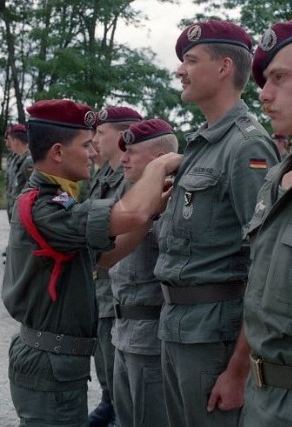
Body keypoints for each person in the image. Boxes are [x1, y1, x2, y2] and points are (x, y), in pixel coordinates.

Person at [1, 99, 181, 427]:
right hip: (49, 364)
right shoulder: (46, 207)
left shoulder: (58, 199)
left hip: (56, 362)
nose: (92, 152)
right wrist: (159, 166)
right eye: (85, 145)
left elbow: (106, 256)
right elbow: (130, 212)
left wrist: (152, 211)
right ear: (58, 152)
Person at [152, 19, 281, 427]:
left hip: (214, 338)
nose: (180, 70)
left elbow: (265, 262)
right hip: (177, 328)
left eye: (190, 60)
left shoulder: (247, 146)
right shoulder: (203, 144)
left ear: (224, 67)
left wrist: (239, 369)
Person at [242, 14, 292, 427]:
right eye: (263, 81)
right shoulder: (274, 181)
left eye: (278, 78)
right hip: (261, 399)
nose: (264, 95)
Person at [99, 119, 179, 427]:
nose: (124, 159)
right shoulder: (133, 198)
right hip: (123, 334)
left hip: (150, 340)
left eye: (131, 151)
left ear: (160, 159)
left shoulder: (170, 203)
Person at [88, 106, 143, 427]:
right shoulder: (103, 177)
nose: (94, 139)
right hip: (102, 291)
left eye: (100, 132)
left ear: (122, 134)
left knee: (122, 389)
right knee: (108, 376)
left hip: (119, 293)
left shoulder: (132, 177)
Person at [6, 123, 34, 218]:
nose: (9, 144)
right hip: (16, 213)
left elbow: (37, 187)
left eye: (10, 140)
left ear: (16, 141)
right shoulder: (18, 159)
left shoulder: (28, 161)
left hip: (23, 214)